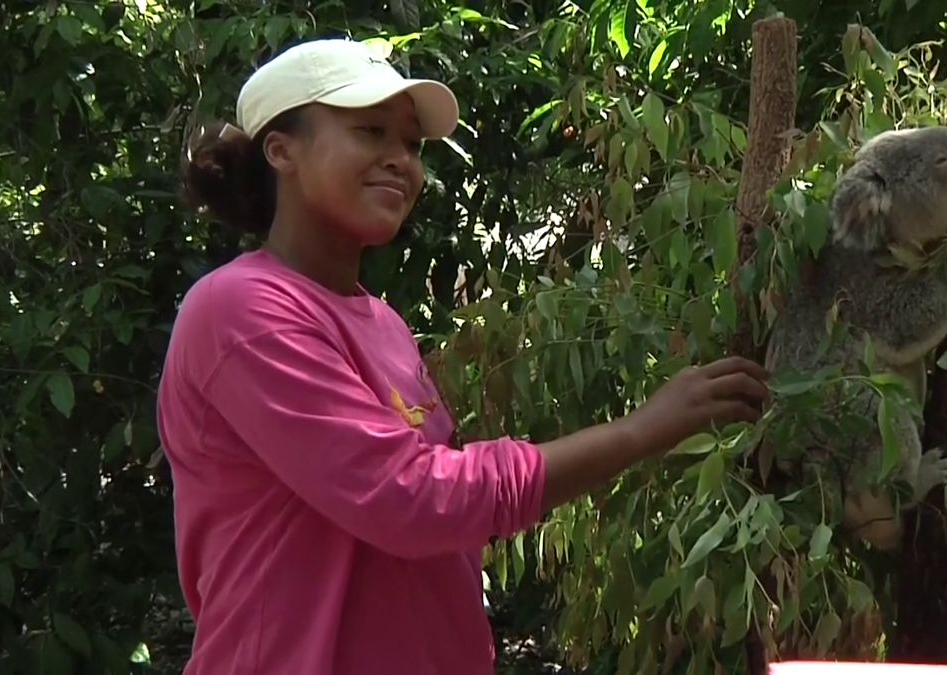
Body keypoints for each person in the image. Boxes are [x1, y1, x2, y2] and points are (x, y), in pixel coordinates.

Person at [157, 37, 770, 675]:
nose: (400, 161)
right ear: (281, 150)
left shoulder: (383, 324)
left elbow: (433, 539)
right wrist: (641, 431)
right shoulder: (241, 311)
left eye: (412, 145)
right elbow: (413, 501)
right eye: (370, 131)